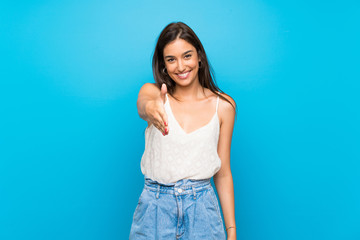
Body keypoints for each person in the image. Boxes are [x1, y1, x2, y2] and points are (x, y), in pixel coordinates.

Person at [130, 21, 237, 240]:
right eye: (171, 59)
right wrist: (151, 108)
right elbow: (144, 105)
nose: (180, 66)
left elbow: (223, 171)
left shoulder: (224, 106)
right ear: (164, 65)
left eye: (187, 56)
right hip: (155, 210)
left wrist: (231, 231)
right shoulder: (153, 94)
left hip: (203, 212)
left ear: (199, 57)